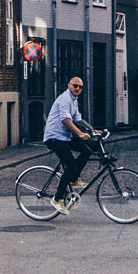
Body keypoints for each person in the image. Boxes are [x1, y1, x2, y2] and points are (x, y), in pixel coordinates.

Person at [43, 75, 96, 214]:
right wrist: (80, 133)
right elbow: (65, 120)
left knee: (89, 147)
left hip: (65, 138)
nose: (78, 88)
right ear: (69, 85)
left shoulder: (74, 100)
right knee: (71, 165)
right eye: (75, 85)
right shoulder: (65, 99)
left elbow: (78, 119)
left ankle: (74, 178)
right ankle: (57, 198)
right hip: (54, 138)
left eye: (80, 87)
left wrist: (92, 131)